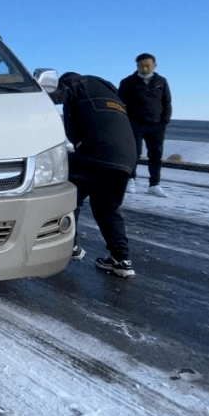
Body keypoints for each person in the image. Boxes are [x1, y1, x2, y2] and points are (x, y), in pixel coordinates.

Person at [49, 72, 138, 278]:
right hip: (125, 160)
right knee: (108, 209)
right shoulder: (113, 96)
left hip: (95, 152)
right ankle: (121, 260)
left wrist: (34, 96)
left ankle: (67, 246)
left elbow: (57, 95)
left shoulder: (78, 81)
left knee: (68, 196)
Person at [118, 53, 172, 197]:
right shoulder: (128, 82)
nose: (145, 68)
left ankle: (154, 185)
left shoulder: (161, 82)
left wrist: (164, 122)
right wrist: (125, 121)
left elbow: (167, 103)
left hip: (156, 126)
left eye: (148, 65)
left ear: (154, 65)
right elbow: (119, 103)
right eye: (141, 65)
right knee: (134, 154)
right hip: (134, 124)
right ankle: (131, 180)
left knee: (156, 155)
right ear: (137, 66)